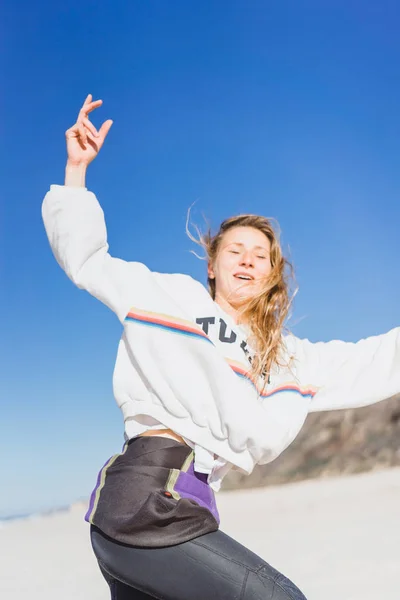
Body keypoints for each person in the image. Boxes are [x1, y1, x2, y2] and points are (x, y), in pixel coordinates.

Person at [42, 95, 400, 600]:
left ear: (272, 274)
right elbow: (87, 260)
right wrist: (75, 173)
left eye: (261, 256)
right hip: (148, 497)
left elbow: (375, 360)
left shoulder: (289, 359)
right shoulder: (168, 296)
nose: (248, 261)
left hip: (190, 506)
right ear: (212, 264)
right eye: (236, 250)